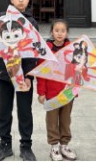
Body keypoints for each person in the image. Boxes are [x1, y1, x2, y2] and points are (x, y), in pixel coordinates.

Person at [0, 0, 39, 162]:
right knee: (4, 109)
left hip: (24, 74)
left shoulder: (31, 22)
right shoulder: (0, 19)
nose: (21, 0)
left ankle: (26, 146)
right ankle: (4, 144)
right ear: (11, 0)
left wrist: (29, 76)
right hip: (5, 73)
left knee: (25, 110)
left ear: (28, 0)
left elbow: (35, 51)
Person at [36, 19, 77, 161]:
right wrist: (41, 92)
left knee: (66, 120)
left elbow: (77, 70)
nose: (60, 33)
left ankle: (64, 145)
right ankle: (54, 146)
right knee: (52, 120)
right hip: (51, 93)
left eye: (63, 31)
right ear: (52, 32)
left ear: (67, 33)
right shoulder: (45, 50)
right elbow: (41, 73)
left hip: (67, 92)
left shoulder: (72, 49)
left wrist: (75, 87)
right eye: (56, 30)